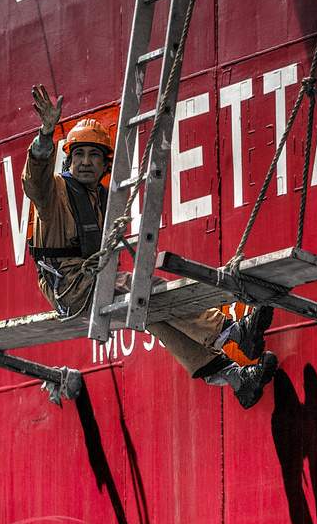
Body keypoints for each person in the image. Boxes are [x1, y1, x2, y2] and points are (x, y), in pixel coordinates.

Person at [21, 84, 279, 408]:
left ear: (105, 165)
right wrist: (46, 132)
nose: (86, 162)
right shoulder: (54, 193)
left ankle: (237, 378)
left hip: (93, 283)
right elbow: (35, 179)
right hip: (70, 288)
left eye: (94, 155)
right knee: (142, 286)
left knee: (153, 313)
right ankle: (231, 332)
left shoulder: (101, 198)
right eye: (79, 154)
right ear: (69, 159)